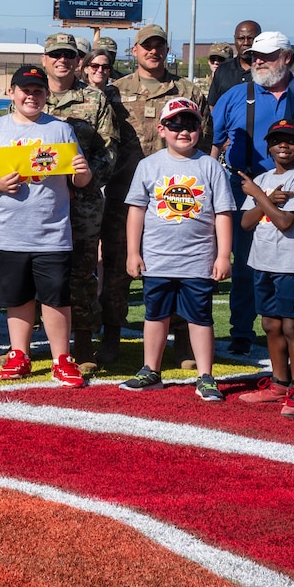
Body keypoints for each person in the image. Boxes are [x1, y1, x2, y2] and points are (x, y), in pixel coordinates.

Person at [0, 65, 91, 386]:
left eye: (38, 91)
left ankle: (61, 358)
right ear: (11, 93)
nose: (31, 96)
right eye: (25, 90)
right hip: (7, 231)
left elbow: (80, 179)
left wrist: (81, 170)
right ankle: (19, 354)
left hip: (51, 232)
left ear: (47, 95)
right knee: (17, 298)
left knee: (55, 298)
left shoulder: (60, 130)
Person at [104, 24, 209, 358]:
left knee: (178, 270)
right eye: (146, 46)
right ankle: (112, 334)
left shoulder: (188, 91)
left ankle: (182, 340)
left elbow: (204, 139)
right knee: (119, 269)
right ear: (133, 51)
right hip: (125, 195)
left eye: (159, 46)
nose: (153, 52)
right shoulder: (114, 92)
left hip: (177, 197)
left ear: (167, 50)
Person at [121, 97, 233, 401]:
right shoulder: (149, 165)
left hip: (198, 260)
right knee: (155, 315)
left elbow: (223, 214)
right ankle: (150, 370)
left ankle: (206, 375)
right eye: (175, 125)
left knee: (200, 318)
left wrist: (223, 255)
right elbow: (136, 211)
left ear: (200, 129)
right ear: (161, 129)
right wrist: (133, 252)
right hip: (158, 259)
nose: (183, 131)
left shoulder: (211, 167)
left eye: (190, 125)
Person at [212, 29, 294, 353]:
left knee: (292, 264)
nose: (258, 62)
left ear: (287, 58)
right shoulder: (235, 95)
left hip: (293, 189)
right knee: (246, 265)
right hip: (243, 187)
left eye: (266, 56)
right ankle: (242, 333)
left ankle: (293, 334)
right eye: (254, 57)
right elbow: (214, 142)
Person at [38, 32, 118, 364]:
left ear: (78, 62)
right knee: (37, 270)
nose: (62, 60)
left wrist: (80, 182)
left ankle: (83, 341)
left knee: (82, 271)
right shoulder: (31, 95)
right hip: (38, 201)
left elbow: (109, 151)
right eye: (55, 54)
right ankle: (29, 343)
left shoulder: (95, 100)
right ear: (44, 59)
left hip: (81, 202)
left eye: (68, 55)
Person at [235, 119, 294, 416]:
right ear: (269, 147)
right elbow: (246, 223)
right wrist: (266, 198)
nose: (284, 145)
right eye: (278, 140)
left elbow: (285, 222)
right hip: (263, 260)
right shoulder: (265, 178)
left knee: (292, 325)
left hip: (291, 262)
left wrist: (259, 195)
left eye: (292, 141)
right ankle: (279, 382)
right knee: (270, 323)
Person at [206, 19, 264, 107]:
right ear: (235, 39)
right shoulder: (223, 70)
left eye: (250, 38)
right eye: (241, 38)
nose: (246, 43)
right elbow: (212, 105)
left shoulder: (268, 70)